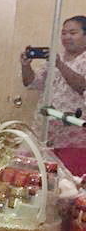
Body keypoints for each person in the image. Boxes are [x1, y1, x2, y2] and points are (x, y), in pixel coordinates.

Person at [20, 15, 86, 175]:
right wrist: (25, 66)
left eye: (72, 33)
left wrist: (59, 65)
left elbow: (82, 86)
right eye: (63, 33)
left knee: (70, 180)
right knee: (36, 176)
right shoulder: (55, 57)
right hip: (44, 131)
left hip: (73, 137)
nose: (66, 37)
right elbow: (32, 83)